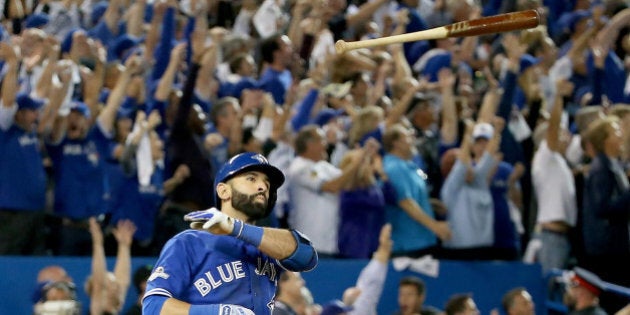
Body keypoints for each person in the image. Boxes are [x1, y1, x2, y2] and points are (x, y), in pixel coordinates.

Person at [142, 152, 318, 314]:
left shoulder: (268, 245)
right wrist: (218, 313)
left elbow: (307, 255)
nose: (262, 187)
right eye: (251, 179)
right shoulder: (190, 242)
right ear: (223, 191)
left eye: (266, 183)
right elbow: (153, 307)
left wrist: (236, 228)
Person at [382, 123, 451, 258]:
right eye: (407, 137)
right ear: (396, 143)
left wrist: (428, 203)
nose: (412, 140)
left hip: (421, 239)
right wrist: (435, 226)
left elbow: (409, 197)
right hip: (407, 243)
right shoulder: (394, 168)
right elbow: (405, 202)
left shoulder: (409, 166)